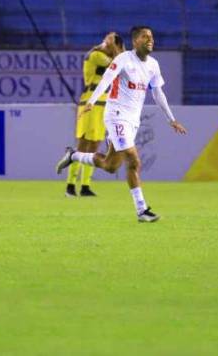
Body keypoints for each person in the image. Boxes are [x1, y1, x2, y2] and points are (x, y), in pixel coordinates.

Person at [56, 26, 187, 222]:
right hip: (116, 115)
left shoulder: (153, 65)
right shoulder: (124, 59)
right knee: (134, 161)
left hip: (132, 120)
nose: (150, 39)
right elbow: (107, 79)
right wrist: (92, 101)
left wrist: (172, 119)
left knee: (110, 165)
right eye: (145, 36)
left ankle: (73, 155)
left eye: (152, 36)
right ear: (135, 41)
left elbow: (158, 93)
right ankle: (142, 210)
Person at [64, 32, 125, 197]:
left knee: (95, 145)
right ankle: (70, 186)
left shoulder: (106, 55)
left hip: (103, 105)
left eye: (111, 41)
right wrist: (116, 48)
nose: (107, 44)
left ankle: (85, 186)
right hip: (90, 103)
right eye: (108, 40)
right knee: (83, 143)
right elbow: (117, 63)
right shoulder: (96, 55)